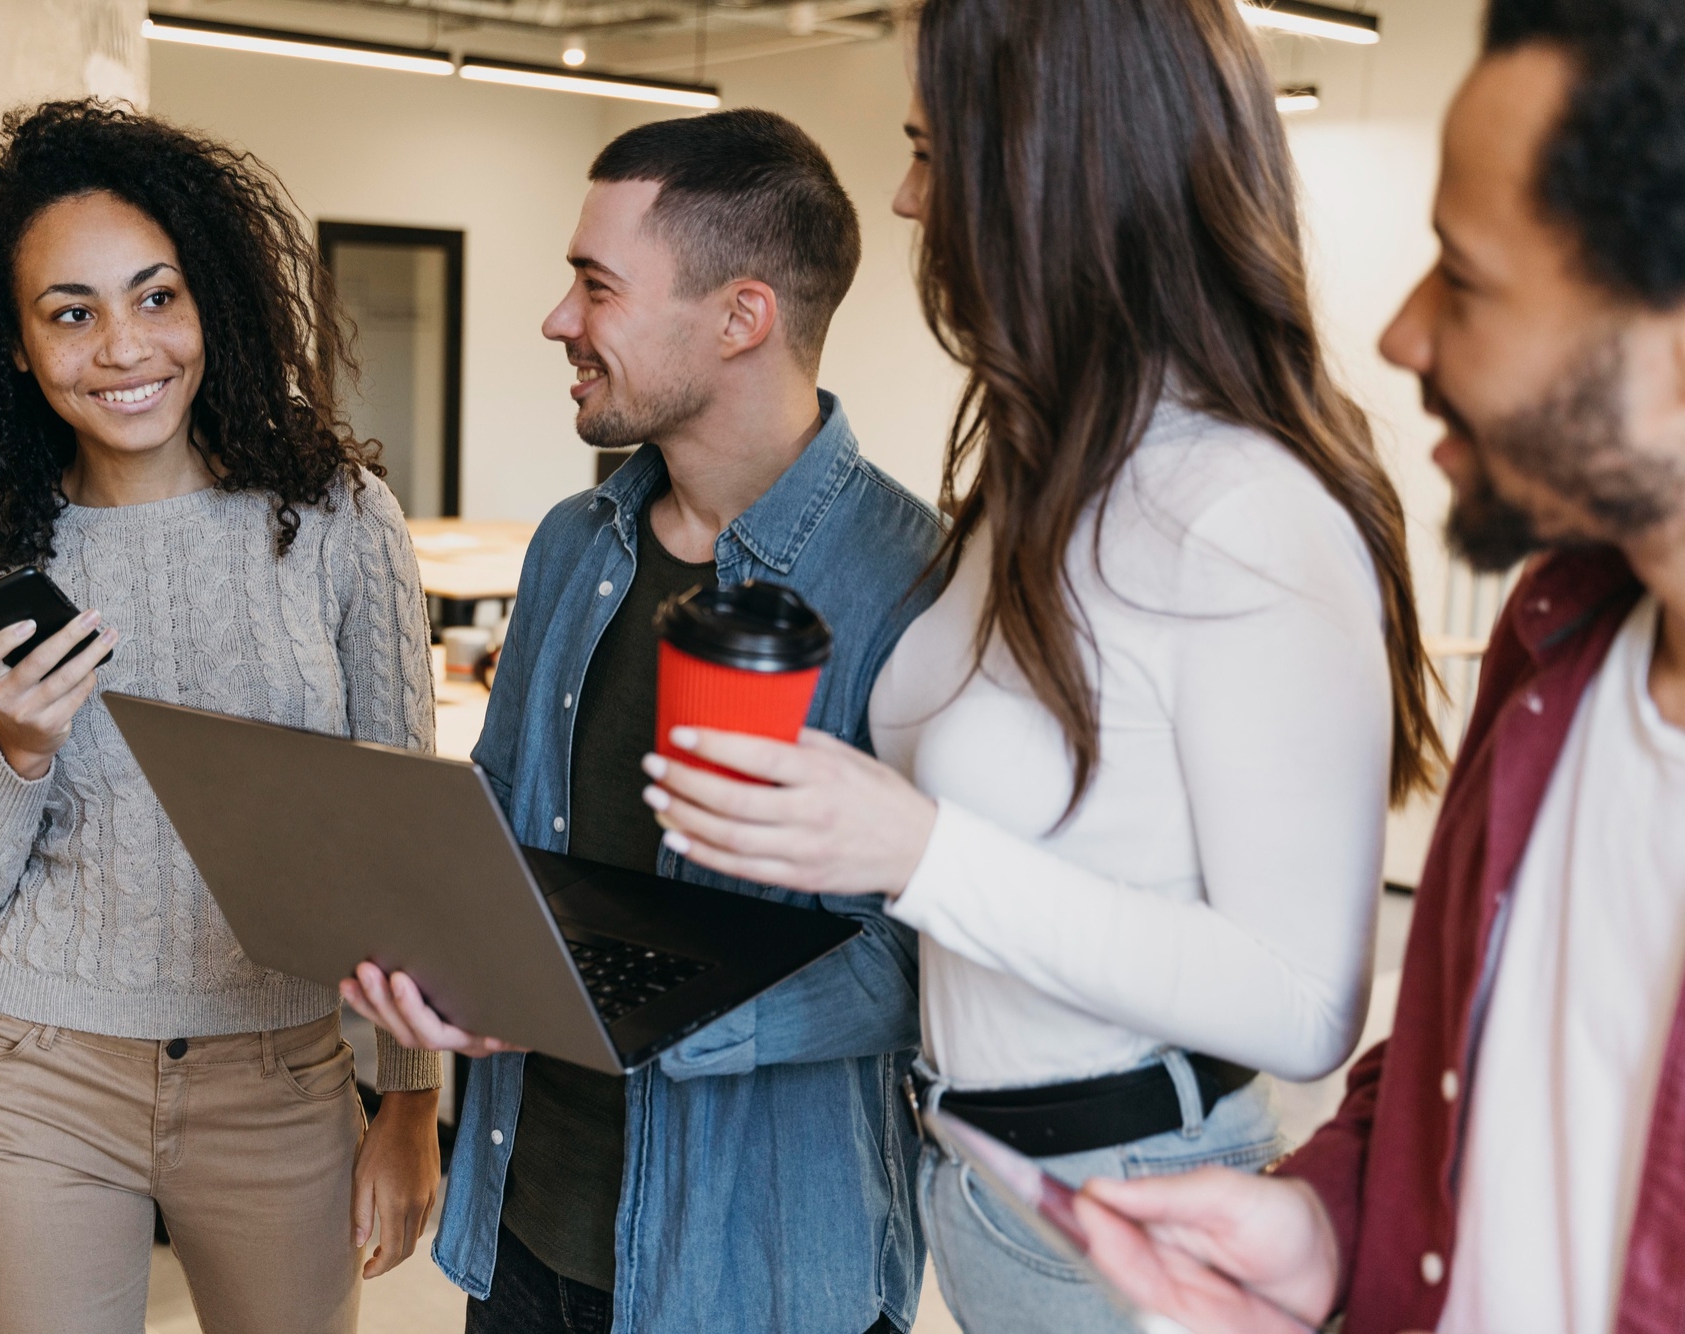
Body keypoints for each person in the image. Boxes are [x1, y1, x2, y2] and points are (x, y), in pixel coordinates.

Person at [638, 2, 1442, 1331]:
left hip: (1149, 1200)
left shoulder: (1241, 505)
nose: (902, 199)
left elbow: (1304, 1003)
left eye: (928, 151)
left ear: (1049, 169)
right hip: (987, 1192)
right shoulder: (1045, 468)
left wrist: (917, 846)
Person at [1072, 4, 1685, 1332]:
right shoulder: (1555, 646)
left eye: (1463, 280)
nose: (1404, 335)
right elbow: (1483, 1060)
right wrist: (1327, 1221)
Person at [342, 110, 942, 1334]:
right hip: (524, 1229)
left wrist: (645, 1000)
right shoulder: (577, 542)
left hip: (760, 1269)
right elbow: (503, 830)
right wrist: (440, 959)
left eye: (594, 284)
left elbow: (929, 967)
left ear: (740, 316)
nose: (560, 318)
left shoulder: (912, 580)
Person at [0, 101, 441, 1334]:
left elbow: (404, 844)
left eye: (156, 296)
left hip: (282, 1071)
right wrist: (18, 754)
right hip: (38, 1077)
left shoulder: (339, 525)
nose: (125, 347)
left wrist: (407, 1100)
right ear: (18, 349)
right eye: (70, 313)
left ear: (213, 307)